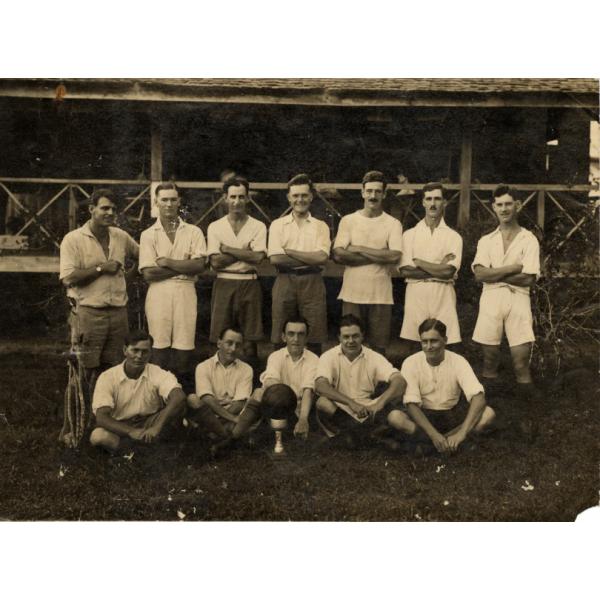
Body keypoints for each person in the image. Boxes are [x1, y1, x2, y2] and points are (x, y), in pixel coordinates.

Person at [471, 184, 541, 414]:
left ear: (518, 205)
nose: (504, 209)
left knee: (520, 362)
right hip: (490, 300)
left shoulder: (529, 239)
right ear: (494, 208)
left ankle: (526, 415)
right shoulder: (486, 240)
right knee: (489, 360)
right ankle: (486, 410)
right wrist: (512, 268)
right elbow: (480, 274)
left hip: (519, 301)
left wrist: (496, 274)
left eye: (508, 204)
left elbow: (529, 279)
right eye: (499, 205)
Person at [59, 188, 139, 388]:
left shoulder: (121, 236)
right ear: (91, 209)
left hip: (119, 314)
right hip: (89, 313)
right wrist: (101, 268)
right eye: (104, 208)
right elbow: (68, 278)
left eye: (113, 209)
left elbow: (144, 255)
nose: (110, 213)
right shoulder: (73, 239)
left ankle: (107, 415)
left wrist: (131, 275)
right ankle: (84, 416)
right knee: (86, 369)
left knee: (117, 370)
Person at [387, 319, 496, 454]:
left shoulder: (458, 361)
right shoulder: (411, 363)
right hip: (423, 417)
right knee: (395, 417)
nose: (429, 346)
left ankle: (431, 446)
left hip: (452, 415)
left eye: (434, 341)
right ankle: (449, 444)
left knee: (488, 414)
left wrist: (461, 433)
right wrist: (434, 435)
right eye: (424, 341)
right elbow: (411, 405)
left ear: (445, 340)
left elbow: (479, 398)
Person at [139, 182, 207, 390]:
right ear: (156, 202)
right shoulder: (148, 234)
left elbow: (199, 265)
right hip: (159, 293)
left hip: (186, 291)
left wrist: (168, 262)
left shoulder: (193, 232)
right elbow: (149, 273)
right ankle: (158, 397)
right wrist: (184, 266)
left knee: (184, 346)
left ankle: (182, 401)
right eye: (164, 200)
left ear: (179, 202)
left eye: (173, 199)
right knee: (159, 345)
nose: (169, 204)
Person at [332, 170, 403, 355]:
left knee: (379, 348)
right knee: (350, 344)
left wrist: (359, 248)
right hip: (352, 293)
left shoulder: (393, 223)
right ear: (362, 192)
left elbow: (394, 256)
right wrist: (381, 255)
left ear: (384, 194)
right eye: (369, 191)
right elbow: (339, 254)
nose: (373, 196)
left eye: (378, 191)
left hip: (381, 294)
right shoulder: (349, 220)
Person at [314, 314, 406, 447]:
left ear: (362, 336)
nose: (351, 341)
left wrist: (379, 403)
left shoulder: (374, 356)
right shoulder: (328, 356)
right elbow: (320, 386)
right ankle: (371, 437)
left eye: (355, 336)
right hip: (340, 408)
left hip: (368, 410)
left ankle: (352, 437)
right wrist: (351, 403)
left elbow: (400, 381)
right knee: (322, 402)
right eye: (346, 337)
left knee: (394, 405)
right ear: (339, 338)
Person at [89, 329, 186, 452]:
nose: (139, 356)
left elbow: (179, 396)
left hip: (149, 423)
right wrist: (131, 431)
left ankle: (134, 450)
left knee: (179, 408)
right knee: (98, 436)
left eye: (145, 352)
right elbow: (102, 417)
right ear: (125, 350)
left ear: (151, 353)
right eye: (135, 350)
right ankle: (140, 451)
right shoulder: (108, 377)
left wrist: (157, 427)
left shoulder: (157, 372)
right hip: (120, 426)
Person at [207, 176, 267, 366]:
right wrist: (245, 251)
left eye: (241, 197)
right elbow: (215, 262)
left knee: (250, 338)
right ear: (225, 198)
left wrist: (229, 249)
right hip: (224, 281)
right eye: (233, 197)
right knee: (220, 335)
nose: (237, 202)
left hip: (249, 281)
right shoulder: (215, 226)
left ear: (248, 198)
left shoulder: (258, 225)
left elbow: (258, 258)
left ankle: (250, 380)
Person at [268, 173, 330, 355]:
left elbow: (321, 258)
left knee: (315, 333)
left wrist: (290, 251)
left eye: (304, 195)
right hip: (284, 280)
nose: (300, 200)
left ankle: (314, 378)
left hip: (312, 281)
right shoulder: (278, 225)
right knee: (280, 331)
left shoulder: (321, 226)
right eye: (295, 195)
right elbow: (276, 259)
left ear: (311, 196)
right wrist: (308, 257)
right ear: (289, 197)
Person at [399, 182, 463, 356]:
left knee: (446, 342)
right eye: (429, 199)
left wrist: (419, 262)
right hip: (416, 292)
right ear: (423, 202)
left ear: (445, 202)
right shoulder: (409, 235)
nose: (433, 203)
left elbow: (449, 272)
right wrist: (439, 266)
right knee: (414, 342)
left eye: (437, 199)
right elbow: (405, 271)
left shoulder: (453, 237)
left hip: (443, 292)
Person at [232, 317, 319, 446]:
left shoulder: (314, 359)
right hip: (276, 405)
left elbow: (308, 391)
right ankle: (235, 436)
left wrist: (302, 420)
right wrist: (282, 397)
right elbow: (271, 382)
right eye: (291, 334)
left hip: (300, 411)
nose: (296, 339)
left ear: (306, 338)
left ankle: (270, 433)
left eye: (301, 334)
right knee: (259, 393)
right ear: (284, 337)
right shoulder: (276, 356)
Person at [187, 327, 253, 446]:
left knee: (250, 411)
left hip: (233, 414)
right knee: (192, 399)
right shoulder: (203, 367)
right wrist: (231, 419)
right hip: (210, 413)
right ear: (219, 343)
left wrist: (219, 421)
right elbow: (207, 399)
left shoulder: (246, 369)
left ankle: (213, 435)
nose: (233, 349)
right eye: (229, 343)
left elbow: (240, 403)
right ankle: (227, 439)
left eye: (238, 345)